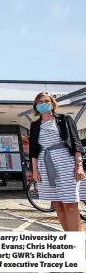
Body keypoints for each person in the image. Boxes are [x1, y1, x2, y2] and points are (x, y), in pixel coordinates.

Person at [29, 92, 85, 231]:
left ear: (52, 103)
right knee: (58, 205)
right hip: (45, 165)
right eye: (40, 101)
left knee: (70, 205)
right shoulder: (35, 125)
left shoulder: (64, 119)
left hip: (65, 163)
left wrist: (79, 165)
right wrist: (35, 170)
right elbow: (33, 151)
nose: (43, 104)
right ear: (36, 105)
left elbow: (76, 142)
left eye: (46, 101)